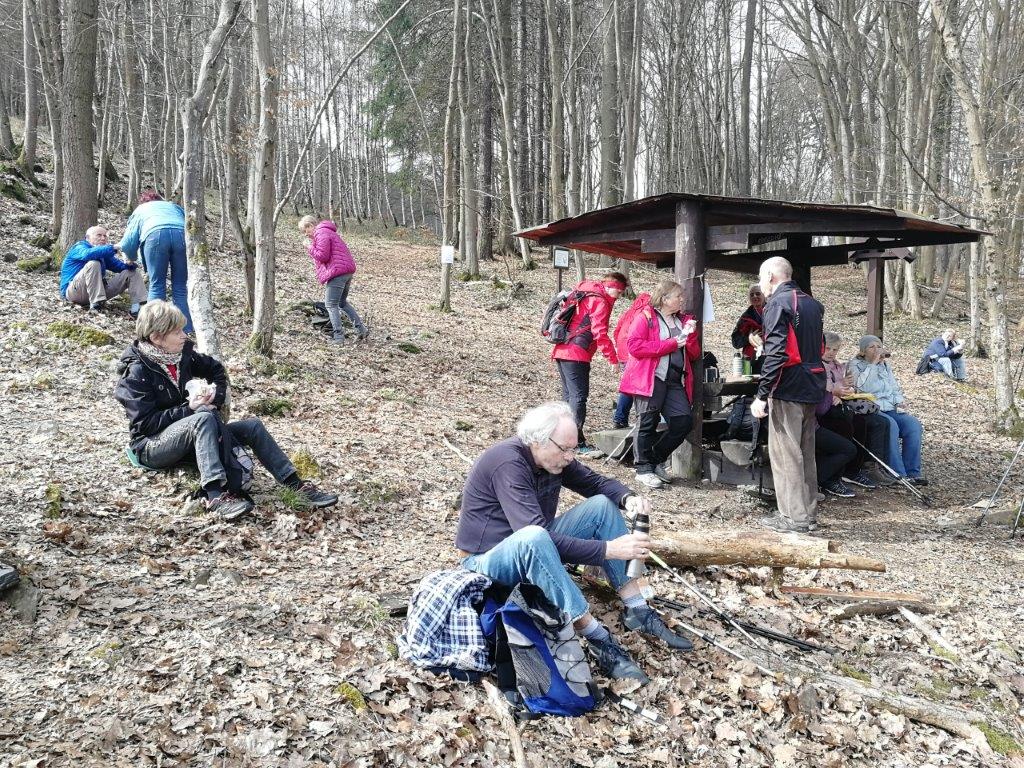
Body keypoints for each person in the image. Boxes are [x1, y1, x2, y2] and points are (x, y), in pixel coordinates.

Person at [456, 401, 692, 685]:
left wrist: (627, 498)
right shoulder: (508, 463)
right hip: (485, 562)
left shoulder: (552, 458)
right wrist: (609, 550)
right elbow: (536, 535)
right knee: (534, 536)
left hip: (532, 544)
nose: (570, 457)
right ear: (539, 440)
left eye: (574, 449)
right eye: (564, 449)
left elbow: (595, 483)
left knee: (602, 505)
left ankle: (637, 609)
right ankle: (598, 638)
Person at [113, 301, 338, 521]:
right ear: (156, 338)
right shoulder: (136, 372)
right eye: (177, 332)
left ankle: (295, 485)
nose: (184, 336)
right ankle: (214, 496)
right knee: (202, 419)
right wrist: (189, 409)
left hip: (189, 433)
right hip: (150, 446)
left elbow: (216, 369)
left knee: (252, 426)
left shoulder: (182, 355)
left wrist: (216, 396)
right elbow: (146, 424)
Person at [750, 257, 826, 533]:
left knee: (786, 454)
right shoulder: (812, 303)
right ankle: (808, 514)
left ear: (771, 276)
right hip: (812, 384)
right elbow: (819, 346)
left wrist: (762, 394)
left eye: (761, 277)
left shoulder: (778, 304)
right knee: (805, 454)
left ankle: (793, 518)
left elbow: (777, 354)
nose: (760, 284)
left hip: (788, 388)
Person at [618, 280, 700, 489]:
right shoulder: (646, 317)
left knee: (683, 422)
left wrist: (690, 336)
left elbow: (694, 354)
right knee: (647, 422)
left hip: (675, 380)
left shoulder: (682, 320)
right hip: (650, 377)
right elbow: (634, 347)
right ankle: (643, 469)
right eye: (678, 296)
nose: (682, 299)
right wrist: (670, 344)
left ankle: (655, 459)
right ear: (664, 299)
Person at [551, 272, 628, 455]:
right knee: (578, 398)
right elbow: (599, 333)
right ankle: (575, 442)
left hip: (563, 349)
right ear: (611, 287)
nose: (620, 296)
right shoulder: (600, 301)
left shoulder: (587, 294)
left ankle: (562, 437)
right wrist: (612, 358)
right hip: (576, 353)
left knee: (569, 397)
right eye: (619, 292)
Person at [849, 336, 927, 485]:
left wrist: (899, 401)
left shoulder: (884, 365)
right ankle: (898, 473)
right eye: (872, 347)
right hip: (871, 407)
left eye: (878, 346)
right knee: (892, 425)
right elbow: (862, 387)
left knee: (913, 425)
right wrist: (872, 364)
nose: (876, 350)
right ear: (863, 351)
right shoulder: (855, 365)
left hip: (890, 406)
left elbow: (894, 387)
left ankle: (913, 472)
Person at [819, 332, 891, 492]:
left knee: (861, 422)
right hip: (824, 409)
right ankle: (835, 476)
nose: (831, 352)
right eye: (828, 349)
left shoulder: (838, 366)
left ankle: (855, 469)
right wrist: (835, 391)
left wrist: (845, 387)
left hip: (839, 404)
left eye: (835, 350)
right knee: (845, 425)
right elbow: (823, 386)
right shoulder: (818, 365)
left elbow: (842, 387)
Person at [118, 190, 191, 332]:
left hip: (154, 236)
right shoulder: (174, 207)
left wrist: (132, 258)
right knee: (180, 287)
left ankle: (155, 329)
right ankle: (184, 331)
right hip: (182, 236)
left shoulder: (141, 209)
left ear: (144, 202)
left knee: (156, 284)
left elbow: (127, 243)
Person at [299, 215, 368, 343]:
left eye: (305, 230)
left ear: (310, 225)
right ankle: (361, 329)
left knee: (330, 304)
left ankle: (338, 337)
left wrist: (309, 247)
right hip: (346, 271)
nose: (306, 234)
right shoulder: (327, 231)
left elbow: (323, 256)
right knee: (342, 303)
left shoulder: (321, 233)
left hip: (337, 272)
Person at [60, 225, 148, 315]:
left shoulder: (103, 253)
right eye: (99, 235)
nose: (103, 238)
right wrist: (114, 247)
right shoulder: (79, 247)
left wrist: (130, 264)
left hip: (96, 292)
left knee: (131, 273)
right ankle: (96, 304)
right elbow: (88, 254)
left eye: (105, 236)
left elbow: (119, 266)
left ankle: (138, 308)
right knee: (94, 263)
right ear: (87, 238)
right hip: (75, 293)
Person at [610, 292, 651, 429]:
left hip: (624, 352)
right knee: (632, 387)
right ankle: (621, 418)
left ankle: (621, 418)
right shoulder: (647, 313)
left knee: (628, 386)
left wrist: (620, 349)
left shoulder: (629, 312)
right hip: (635, 354)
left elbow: (616, 331)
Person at [731, 283, 766, 373]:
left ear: (764, 295)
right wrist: (749, 338)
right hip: (751, 360)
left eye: (758, 293)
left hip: (769, 357)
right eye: (752, 295)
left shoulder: (772, 310)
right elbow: (735, 342)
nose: (755, 296)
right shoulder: (746, 317)